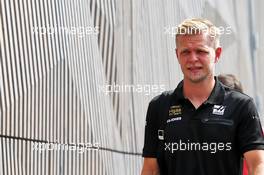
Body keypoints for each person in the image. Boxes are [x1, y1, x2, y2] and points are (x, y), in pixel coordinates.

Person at [141, 18, 264, 175]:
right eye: (186, 52)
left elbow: (257, 165)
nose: (193, 59)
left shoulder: (242, 105)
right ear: (177, 55)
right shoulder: (159, 106)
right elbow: (150, 169)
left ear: (217, 54)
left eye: (201, 51)